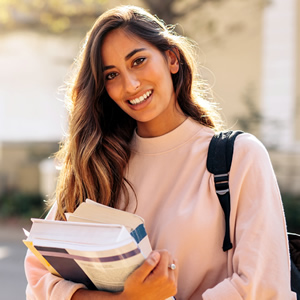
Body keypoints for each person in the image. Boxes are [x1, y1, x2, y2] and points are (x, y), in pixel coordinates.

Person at [24, 5, 297, 300]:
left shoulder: (238, 158)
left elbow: (263, 287)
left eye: (139, 61)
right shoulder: (99, 163)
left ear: (171, 59)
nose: (130, 84)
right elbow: (40, 280)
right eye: (112, 75)